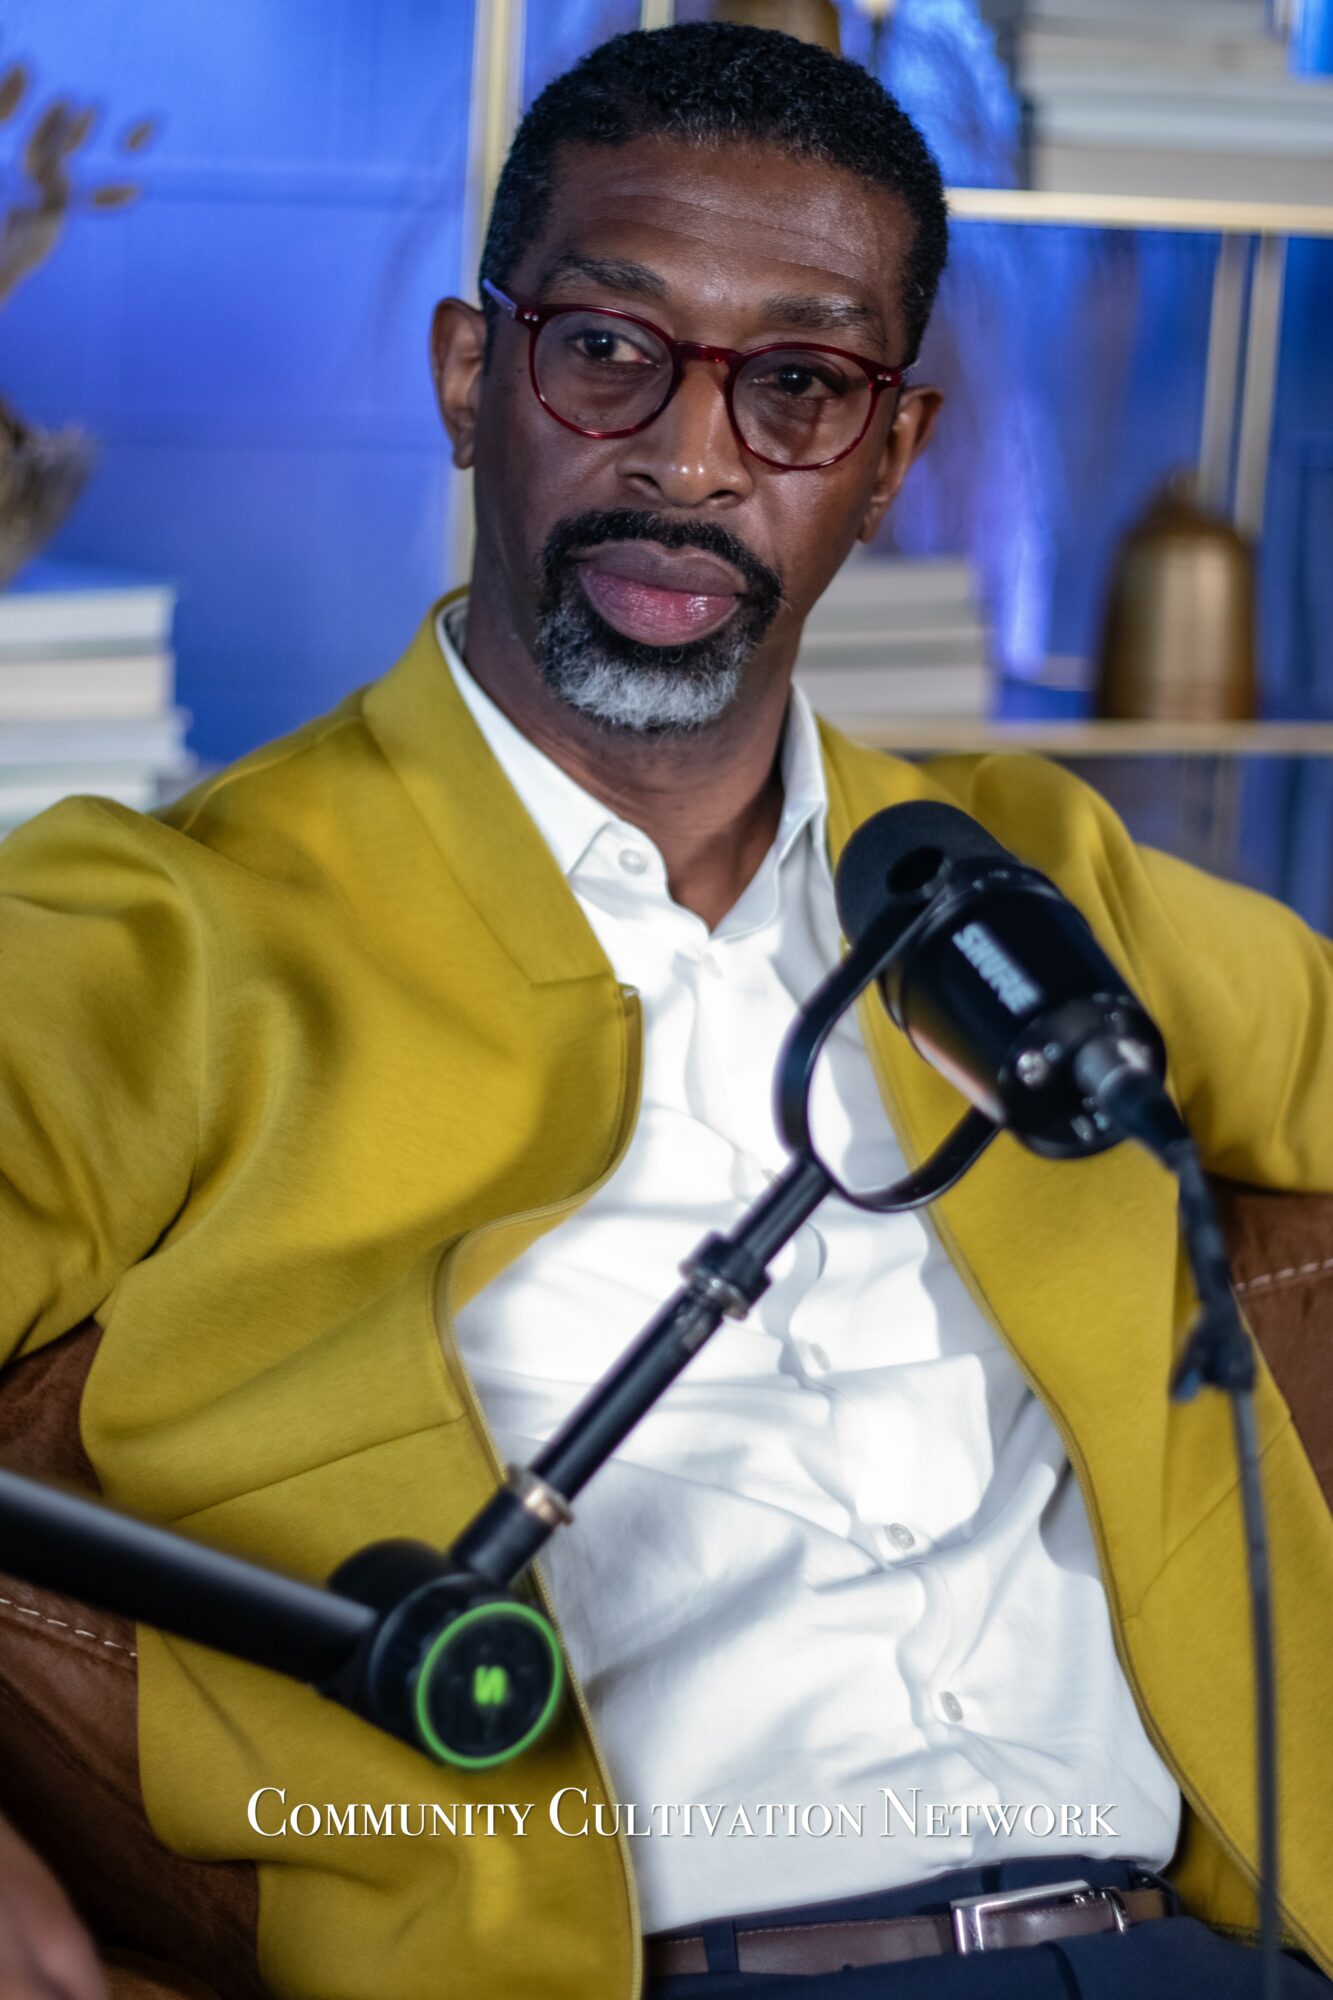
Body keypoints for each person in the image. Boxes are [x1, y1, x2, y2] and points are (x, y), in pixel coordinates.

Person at [0, 21, 1330, 2000]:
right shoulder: (158, 932)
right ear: (473, 379)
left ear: (888, 454)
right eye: (608, 351)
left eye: (797, 385)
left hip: (1193, 1951)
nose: (692, 458)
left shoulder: (1034, 877)